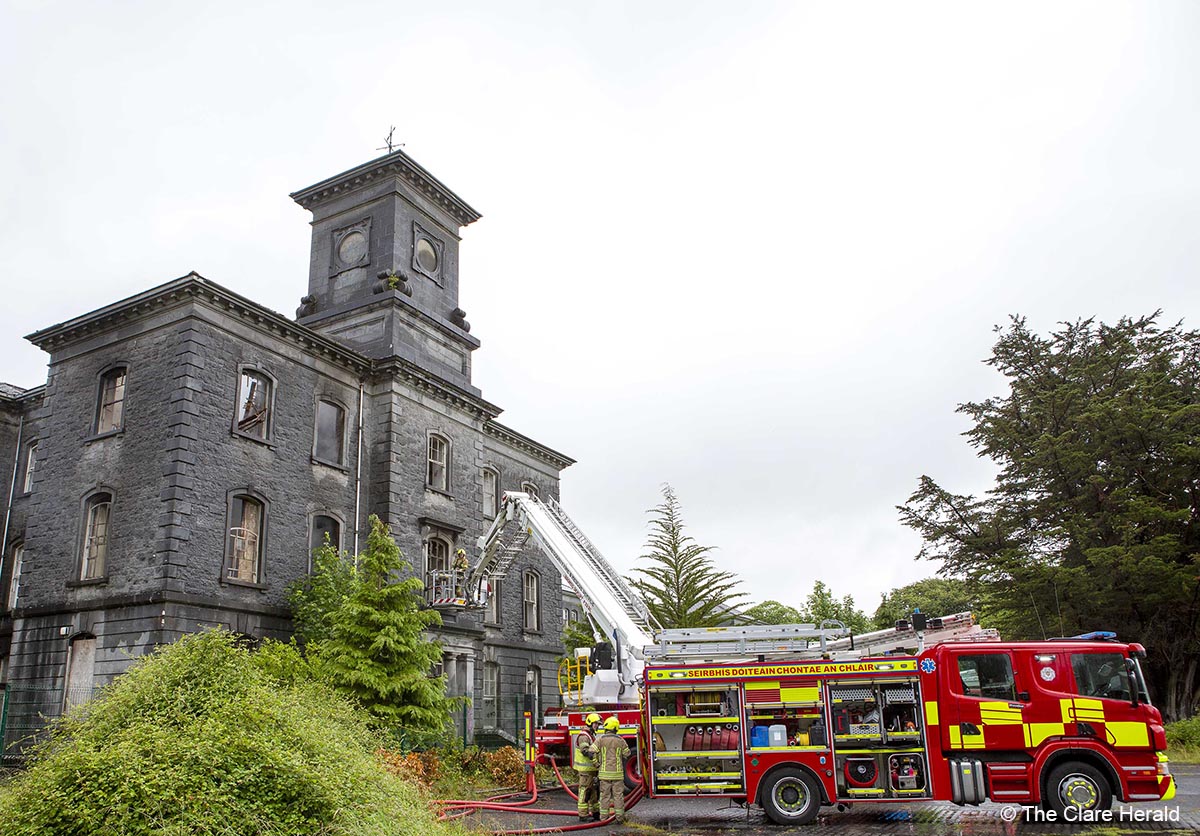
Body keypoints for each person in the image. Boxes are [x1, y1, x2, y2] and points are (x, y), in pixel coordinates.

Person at [596, 715, 632, 823]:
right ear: (616, 728)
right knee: (618, 796)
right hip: (617, 774)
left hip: (604, 774)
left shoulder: (600, 740)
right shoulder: (620, 740)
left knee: (605, 796)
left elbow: (591, 751)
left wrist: (596, 763)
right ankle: (620, 818)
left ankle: (603, 818)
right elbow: (627, 753)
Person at [573, 712, 602, 822]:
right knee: (584, 792)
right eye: (596, 724)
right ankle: (583, 815)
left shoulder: (590, 735)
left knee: (593, 792)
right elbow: (585, 751)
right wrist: (595, 760)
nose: (597, 726)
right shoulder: (584, 736)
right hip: (585, 770)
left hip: (591, 770)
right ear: (590, 723)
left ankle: (595, 813)